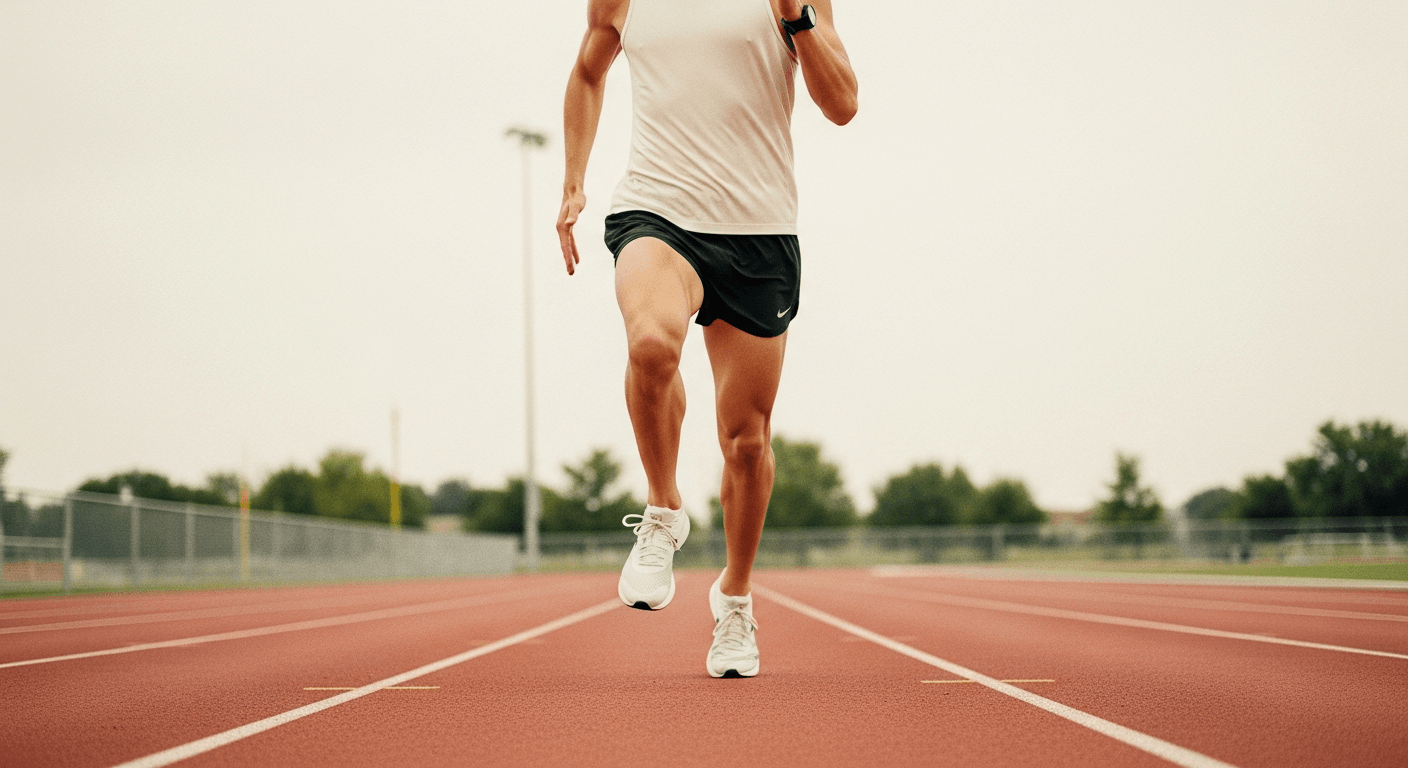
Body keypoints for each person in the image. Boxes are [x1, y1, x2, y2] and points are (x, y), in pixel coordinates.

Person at [556, 0, 857, 678]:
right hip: (656, 211)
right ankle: (663, 508)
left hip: (758, 232)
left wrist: (798, 19)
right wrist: (574, 180)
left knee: (746, 441)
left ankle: (735, 600)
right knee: (651, 344)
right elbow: (587, 71)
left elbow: (842, 105)